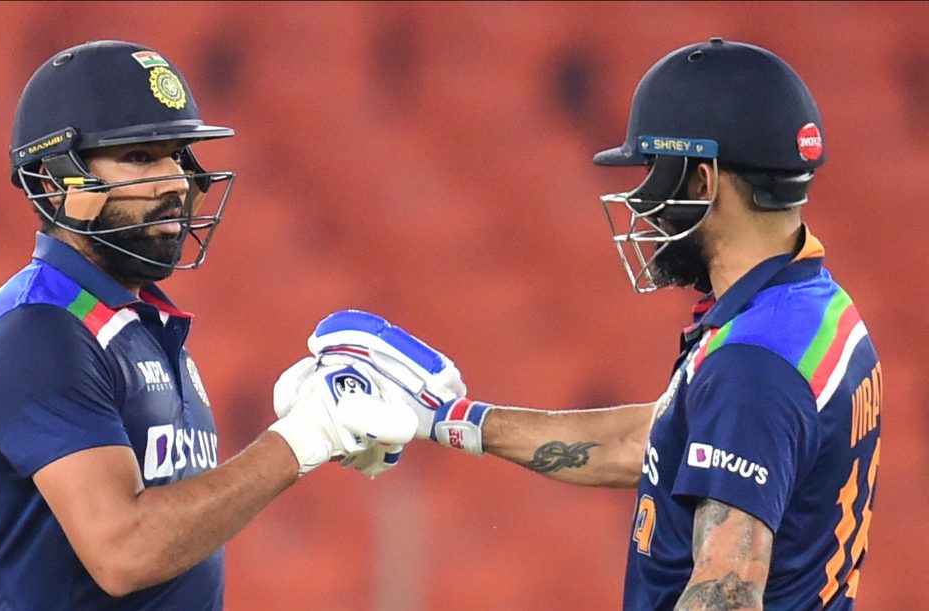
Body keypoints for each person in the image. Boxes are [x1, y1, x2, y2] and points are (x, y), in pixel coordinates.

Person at [292, 38, 882, 609]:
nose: (644, 203)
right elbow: (657, 440)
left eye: (657, 172)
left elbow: (727, 592)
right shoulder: (812, 311)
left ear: (703, 181)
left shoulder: (752, 366)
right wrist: (452, 419)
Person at [0, 40, 420, 610]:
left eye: (177, 155)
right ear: (55, 182)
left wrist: (315, 437)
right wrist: (303, 437)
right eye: (140, 157)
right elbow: (124, 551)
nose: (175, 181)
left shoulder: (138, 323)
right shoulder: (40, 329)